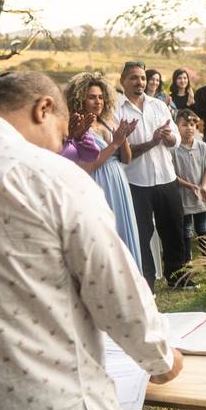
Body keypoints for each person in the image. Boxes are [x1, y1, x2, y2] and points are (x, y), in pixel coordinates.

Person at [0, 71, 182, 410]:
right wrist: (161, 357)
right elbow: (114, 288)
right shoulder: (50, 176)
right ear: (43, 108)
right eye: (61, 132)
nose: (61, 145)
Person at [116, 61, 185, 290]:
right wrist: (152, 142)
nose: (140, 82)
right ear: (123, 81)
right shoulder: (117, 110)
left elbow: (176, 140)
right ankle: (146, 282)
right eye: (134, 78)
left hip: (166, 177)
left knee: (174, 230)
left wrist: (168, 138)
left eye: (143, 78)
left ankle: (179, 278)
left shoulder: (158, 106)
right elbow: (121, 153)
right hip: (137, 182)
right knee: (141, 235)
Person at [64, 72, 142, 268]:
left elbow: (127, 159)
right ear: (79, 98)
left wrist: (123, 138)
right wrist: (114, 144)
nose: (98, 102)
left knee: (122, 231)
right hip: (97, 183)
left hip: (118, 181)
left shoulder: (108, 121)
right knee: (105, 236)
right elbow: (86, 166)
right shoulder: (76, 126)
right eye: (91, 97)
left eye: (100, 97)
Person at [171, 108, 206, 262]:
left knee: (203, 228)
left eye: (192, 124)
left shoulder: (201, 146)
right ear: (176, 126)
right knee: (187, 230)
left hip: (200, 197)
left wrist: (203, 186)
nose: (189, 128)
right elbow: (173, 175)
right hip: (184, 198)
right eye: (184, 124)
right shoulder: (174, 150)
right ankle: (187, 260)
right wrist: (190, 186)